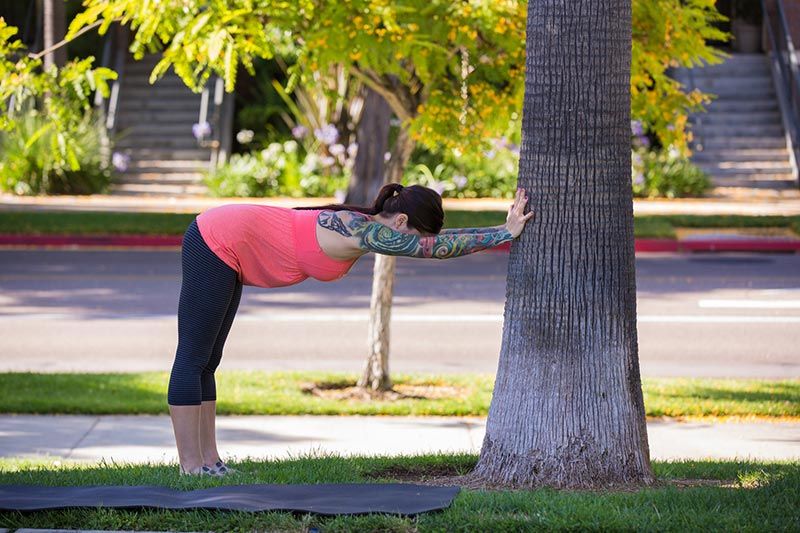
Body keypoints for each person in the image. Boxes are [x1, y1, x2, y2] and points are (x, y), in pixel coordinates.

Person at [168, 183, 534, 475]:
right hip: (215, 238)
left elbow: (432, 243)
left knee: (207, 360)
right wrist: (503, 232)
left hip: (231, 242)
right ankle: (190, 465)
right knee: (192, 358)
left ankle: (209, 461)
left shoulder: (362, 224)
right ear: (401, 221)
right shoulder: (359, 229)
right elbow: (434, 248)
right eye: (414, 233)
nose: (412, 244)